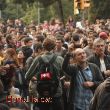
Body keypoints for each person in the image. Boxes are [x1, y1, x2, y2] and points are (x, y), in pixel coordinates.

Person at [25, 37, 64, 110]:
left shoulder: (38, 59)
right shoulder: (60, 59)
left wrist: (37, 79)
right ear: (54, 47)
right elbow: (67, 74)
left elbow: (27, 76)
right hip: (56, 91)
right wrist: (59, 78)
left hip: (42, 91)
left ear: (43, 47)